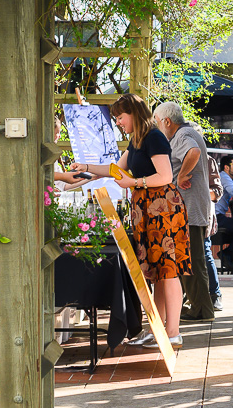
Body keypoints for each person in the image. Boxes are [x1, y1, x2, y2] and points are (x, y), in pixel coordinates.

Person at [71, 94, 188, 348]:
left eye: (120, 117)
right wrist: (87, 169)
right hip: (149, 211)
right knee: (158, 272)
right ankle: (158, 329)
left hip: (164, 210)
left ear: (134, 113)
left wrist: (135, 183)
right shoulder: (137, 140)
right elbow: (116, 169)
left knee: (168, 271)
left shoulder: (154, 137)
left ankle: (173, 332)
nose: (119, 122)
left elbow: (165, 176)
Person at [153, 101, 215, 322]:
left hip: (189, 207)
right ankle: (197, 306)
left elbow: (194, 151)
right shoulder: (186, 132)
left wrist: (181, 176)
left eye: (158, 122)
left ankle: (202, 309)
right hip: (191, 206)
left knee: (193, 259)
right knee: (190, 259)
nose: (158, 126)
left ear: (167, 121)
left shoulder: (182, 135)